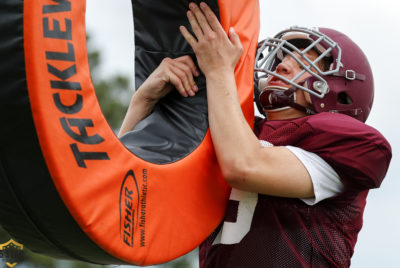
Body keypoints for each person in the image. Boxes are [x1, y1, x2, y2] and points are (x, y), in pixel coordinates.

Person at [120, 2, 392, 267]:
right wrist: (142, 102)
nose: (281, 67)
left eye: (302, 63)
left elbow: (246, 166)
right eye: (282, 58)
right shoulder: (233, 133)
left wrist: (218, 71)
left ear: (340, 93)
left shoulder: (348, 144)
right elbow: (134, 191)